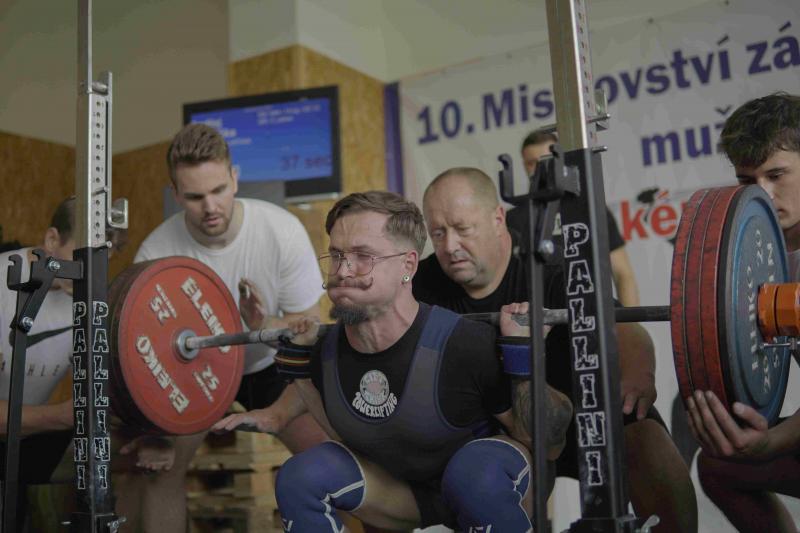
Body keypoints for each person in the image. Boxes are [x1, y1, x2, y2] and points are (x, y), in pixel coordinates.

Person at [214, 191, 573, 531]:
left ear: (408, 265)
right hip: (405, 494)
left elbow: (548, 445)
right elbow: (345, 437)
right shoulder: (327, 353)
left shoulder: (461, 344)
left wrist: (522, 356)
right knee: (300, 476)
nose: (343, 271)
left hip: (487, 483)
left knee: (474, 475)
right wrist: (297, 371)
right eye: (336, 255)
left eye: (363, 256)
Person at [416, 167, 697, 532]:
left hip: (587, 406)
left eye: (462, 228)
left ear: (497, 218)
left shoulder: (550, 265)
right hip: (510, 425)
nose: (450, 246)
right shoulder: (423, 285)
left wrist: (638, 374)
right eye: (438, 233)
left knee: (646, 440)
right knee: (479, 477)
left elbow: (621, 324)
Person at [126, 123, 328, 532]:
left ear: (235, 178)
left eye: (219, 190)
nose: (210, 206)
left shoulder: (280, 231)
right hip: (193, 372)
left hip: (271, 363)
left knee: (329, 464)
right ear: (176, 194)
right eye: (195, 196)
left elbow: (310, 331)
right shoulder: (156, 252)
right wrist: (152, 431)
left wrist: (262, 324)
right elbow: (141, 354)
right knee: (160, 470)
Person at [0, 197, 164, 530]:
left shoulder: (89, 302)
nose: (91, 271)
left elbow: (108, 390)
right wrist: (64, 416)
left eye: (103, 257)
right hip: (15, 427)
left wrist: (151, 437)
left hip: (25, 437)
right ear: (51, 240)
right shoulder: (3, 285)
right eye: (83, 256)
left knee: (147, 454)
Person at [686, 92, 800, 532]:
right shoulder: (767, 254)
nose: (763, 193)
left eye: (777, 174)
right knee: (721, 466)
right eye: (748, 180)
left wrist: (771, 442)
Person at [510, 129, 641, 306]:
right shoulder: (512, 219)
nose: (541, 167)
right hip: (535, 315)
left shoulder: (590, 208)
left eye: (547, 159)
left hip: (591, 311)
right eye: (532, 163)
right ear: (524, 165)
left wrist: (630, 320)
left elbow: (622, 274)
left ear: (560, 159)